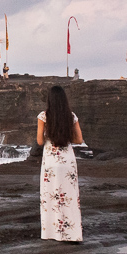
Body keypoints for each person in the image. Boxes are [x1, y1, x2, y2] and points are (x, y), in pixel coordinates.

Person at [37, 85, 84, 242]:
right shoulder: (71, 116)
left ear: (50, 99)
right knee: (69, 196)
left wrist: (50, 136)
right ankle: (72, 233)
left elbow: (39, 140)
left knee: (50, 196)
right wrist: (65, 135)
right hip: (67, 161)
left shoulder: (44, 116)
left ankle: (51, 233)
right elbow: (79, 140)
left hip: (51, 161)